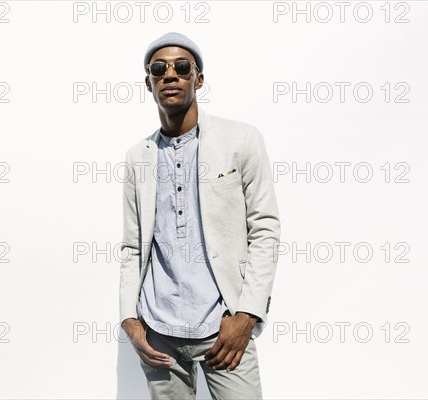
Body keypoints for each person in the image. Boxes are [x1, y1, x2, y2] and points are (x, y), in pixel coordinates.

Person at [119, 32, 281, 399]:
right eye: (159, 69)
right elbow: (131, 245)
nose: (170, 74)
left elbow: (265, 229)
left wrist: (247, 315)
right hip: (159, 334)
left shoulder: (241, 140)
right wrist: (130, 319)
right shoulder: (137, 156)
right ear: (149, 82)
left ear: (199, 78)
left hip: (223, 328)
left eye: (182, 67)